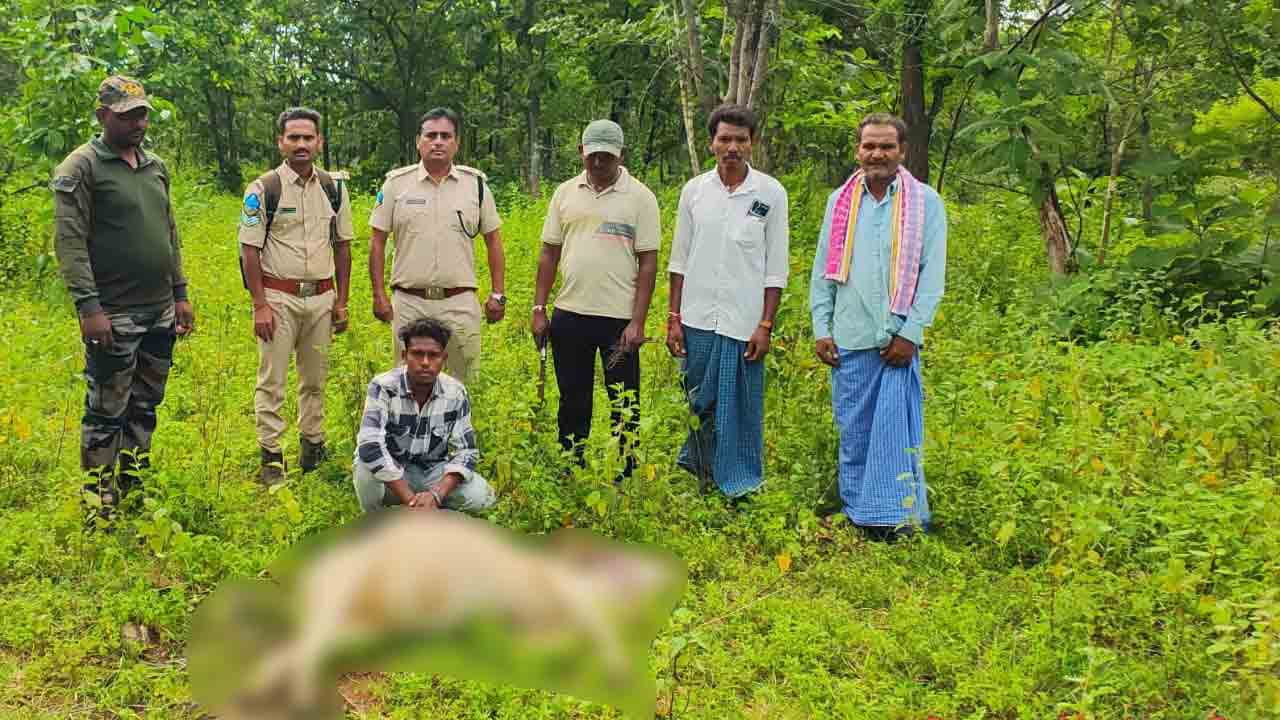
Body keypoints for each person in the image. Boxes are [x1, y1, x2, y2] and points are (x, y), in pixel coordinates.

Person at [51, 75, 195, 512]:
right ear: (102, 116)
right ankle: (99, 499)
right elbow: (70, 242)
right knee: (105, 410)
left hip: (159, 310)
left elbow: (168, 232)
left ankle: (134, 485)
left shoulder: (155, 166)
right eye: (128, 115)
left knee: (145, 404)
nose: (139, 123)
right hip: (114, 312)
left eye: (143, 114)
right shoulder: (82, 167)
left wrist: (180, 293)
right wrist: (88, 307)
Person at [809, 112, 947, 541]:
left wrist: (911, 333)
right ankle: (858, 513)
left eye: (886, 146)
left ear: (902, 151)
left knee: (895, 434)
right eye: (869, 146)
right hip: (850, 337)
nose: (877, 154)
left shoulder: (925, 203)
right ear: (858, 150)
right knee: (855, 432)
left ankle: (899, 519)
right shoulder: (841, 202)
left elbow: (932, 276)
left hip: (896, 341)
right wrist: (821, 327)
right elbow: (822, 271)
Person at [666, 105, 789, 499]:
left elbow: (776, 267)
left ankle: (739, 484)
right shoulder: (695, 191)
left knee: (740, 406)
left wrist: (765, 325)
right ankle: (701, 475)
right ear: (711, 143)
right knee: (699, 400)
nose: (732, 147)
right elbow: (679, 259)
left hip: (744, 320)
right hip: (698, 317)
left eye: (741, 139)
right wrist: (673, 317)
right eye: (725, 139)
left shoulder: (770, 193)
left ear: (752, 144)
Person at [532, 120, 661, 479]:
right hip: (570, 313)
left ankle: (627, 466)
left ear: (622, 155)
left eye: (607, 156)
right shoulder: (565, 193)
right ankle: (572, 464)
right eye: (593, 156)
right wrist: (539, 308)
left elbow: (648, 262)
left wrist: (638, 321)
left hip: (618, 321)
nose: (599, 163)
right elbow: (548, 253)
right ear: (581, 153)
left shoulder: (641, 198)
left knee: (624, 398)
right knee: (573, 396)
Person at [238, 107, 354, 484]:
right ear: (281, 142)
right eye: (294, 138)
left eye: (308, 138)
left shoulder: (333, 188)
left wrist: (341, 301)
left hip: (321, 298)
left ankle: (313, 449)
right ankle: (272, 459)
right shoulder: (263, 190)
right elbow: (249, 250)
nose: (301, 144)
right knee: (273, 380)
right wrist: (260, 305)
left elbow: (343, 247)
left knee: (315, 378)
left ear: (319, 142)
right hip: (278, 298)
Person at [369, 107, 506, 383]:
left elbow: (493, 241)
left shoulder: (475, 186)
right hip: (410, 301)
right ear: (418, 141)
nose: (438, 141)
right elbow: (377, 241)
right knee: (406, 385)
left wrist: (498, 294)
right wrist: (378, 294)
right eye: (431, 135)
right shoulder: (396, 185)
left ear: (457, 143)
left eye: (446, 136)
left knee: (464, 382)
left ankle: (457, 428)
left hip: (459, 302)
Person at [353, 317, 497, 513]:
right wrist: (411, 500)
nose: (425, 362)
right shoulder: (383, 387)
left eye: (433, 355)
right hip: (392, 473)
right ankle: (379, 520)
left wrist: (437, 493)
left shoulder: (455, 392)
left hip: (432, 471)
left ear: (444, 359)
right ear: (404, 355)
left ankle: (427, 511)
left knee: (482, 498)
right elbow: (370, 446)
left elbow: (466, 451)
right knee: (365, 469)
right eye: (417, 354)